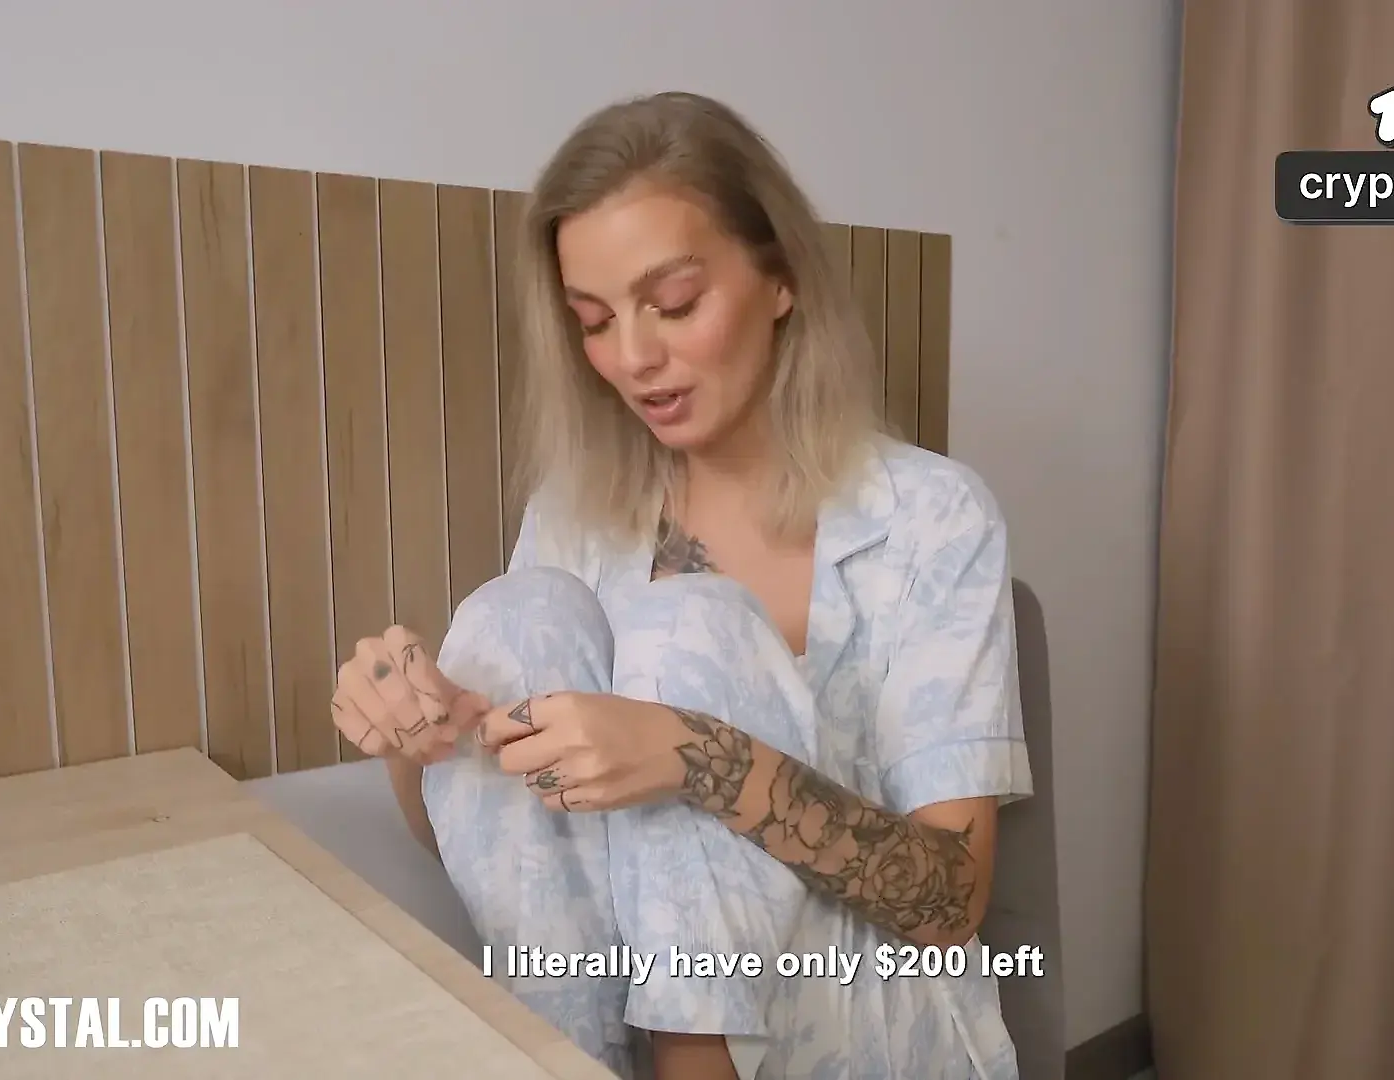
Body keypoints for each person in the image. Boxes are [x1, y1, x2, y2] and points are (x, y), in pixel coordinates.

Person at [328, 91, 1031, 1080]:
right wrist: (422, 737)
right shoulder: (574, 520)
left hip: (861, 1008)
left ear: (780, 278)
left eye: (675, 303)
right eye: (595, 321)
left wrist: (700, 760)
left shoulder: (932, 517)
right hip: (603, 1015)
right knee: (512, 618)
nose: (633, 358)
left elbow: (949, 901)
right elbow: (521, 868)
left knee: (688, 624)